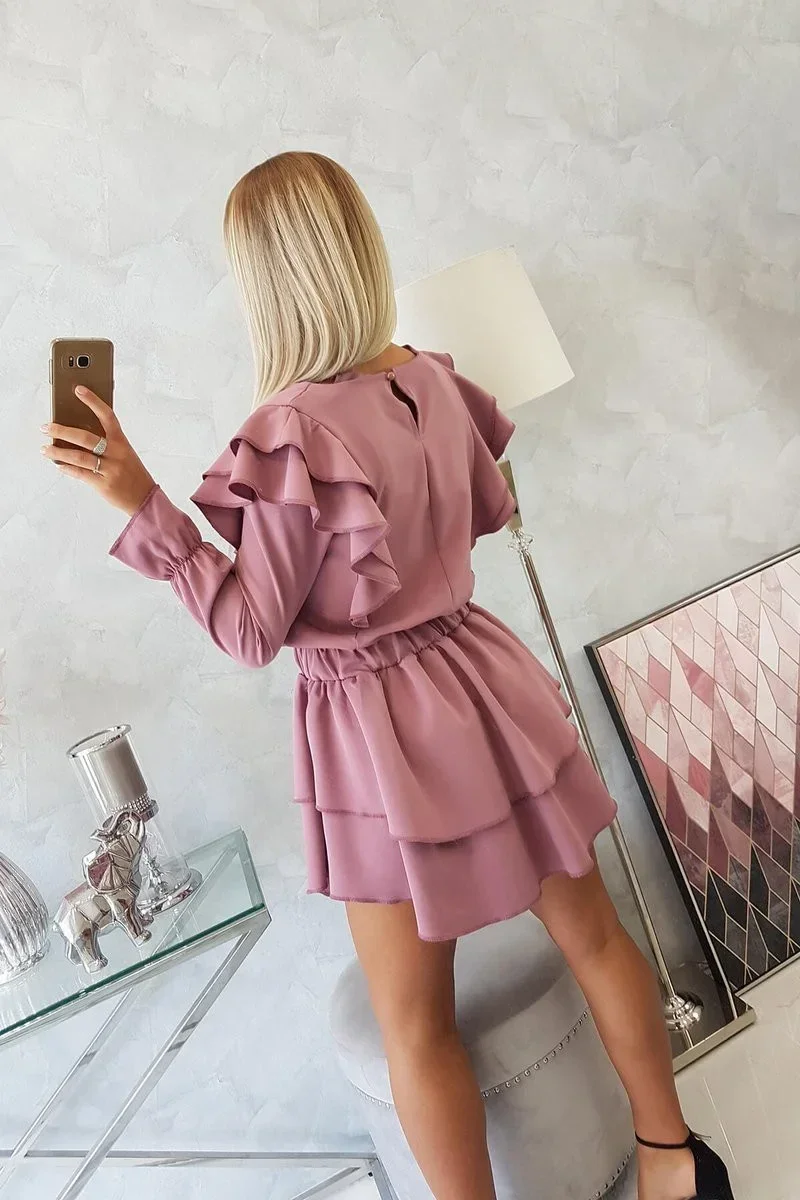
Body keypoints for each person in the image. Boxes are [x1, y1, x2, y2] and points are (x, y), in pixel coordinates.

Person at [41, 152, 732, 1200]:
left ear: (265, 281)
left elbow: (250, 629)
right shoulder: (430, 379)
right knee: (595, 937)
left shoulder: (288, 433)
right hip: (485, 681)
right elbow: (476, 516)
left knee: (414, 1024)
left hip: (376, 732)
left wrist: (145, 506)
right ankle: (673, 1162)